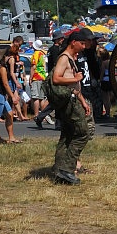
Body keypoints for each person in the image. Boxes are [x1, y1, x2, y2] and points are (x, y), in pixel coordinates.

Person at [52, 30, 91, 185]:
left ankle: (59, 170)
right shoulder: (64, 58)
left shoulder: (70, 58)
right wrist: (75, 78)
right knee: (82, 133)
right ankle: (67, 169)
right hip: (69, 102)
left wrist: (82, 100)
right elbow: (56, 78)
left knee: (67, 136)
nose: (83, 46)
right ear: (73, 42)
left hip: (73, 98)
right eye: (81, 43)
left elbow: (73, 85)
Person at [0, 50, 21, 145]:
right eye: (5, 56)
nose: (7, 57)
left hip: (1, 96)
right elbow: (6, 84)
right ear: (2, 58)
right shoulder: (2, 69)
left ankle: (11, 137)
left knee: (9, 114)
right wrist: (12, 96)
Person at [34, 30, 66, 129]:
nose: (62, 40)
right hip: (56, 76)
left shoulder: (51, 50)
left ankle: (42, 118)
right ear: (58, 40)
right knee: (58, 100)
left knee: (55, 101)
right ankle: (51, 120)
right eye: (61, 38)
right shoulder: (56, 50)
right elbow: (57, 64)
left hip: (52, 76)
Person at [30, 39, 49, 121]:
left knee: (36, 97)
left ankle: (36, 114)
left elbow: (33, 67)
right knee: (42, 98)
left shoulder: (35, 54)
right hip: (43, 76)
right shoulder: (43, 54)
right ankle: (43, 115)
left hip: (36, 76)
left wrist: (31, 78)